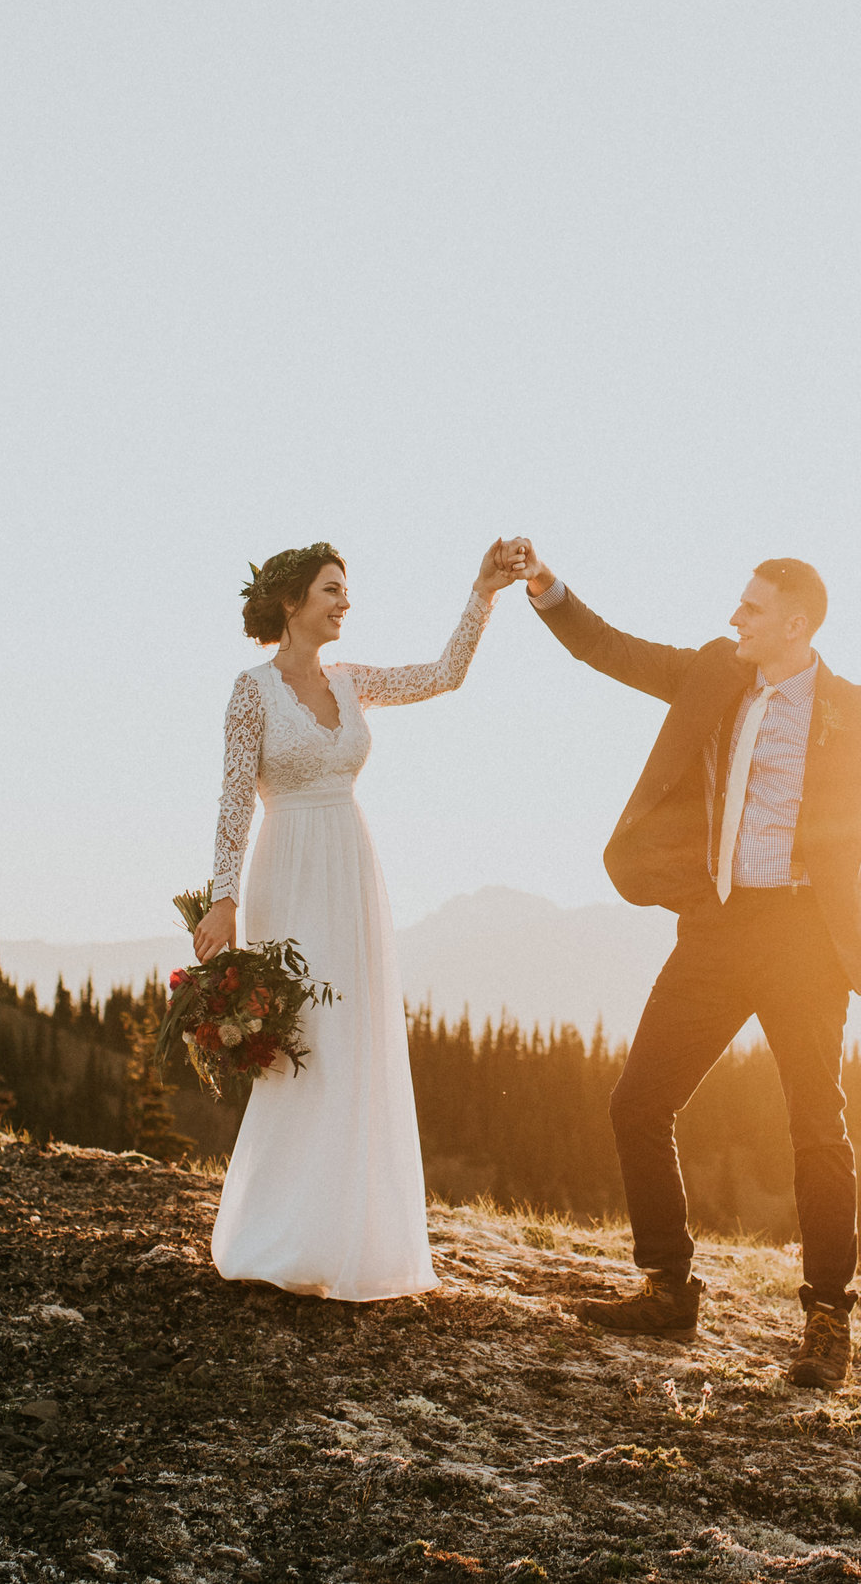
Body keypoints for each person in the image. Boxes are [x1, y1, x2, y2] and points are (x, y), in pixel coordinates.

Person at [517, 545, 861, 1386]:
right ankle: (667, 1285)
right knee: (638, 1103)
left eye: (753, 610)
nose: (736, 619)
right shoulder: (711, 675)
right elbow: (610, 649)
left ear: (795, 625)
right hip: (718, 928)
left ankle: (827, 1318)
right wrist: (545, 586)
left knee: (816, 1126)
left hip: (808, 940)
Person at [197, 537, 526, 1298]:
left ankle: (352, 1234)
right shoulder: (252, 691)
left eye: (346, 591)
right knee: (302, 1042)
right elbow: (233, 796)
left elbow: (443, 675)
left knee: (356, 1038)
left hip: (351, 866)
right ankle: (282, 1229)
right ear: (291, 602)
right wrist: (223, 894)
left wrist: (483, 592)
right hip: (287, 870)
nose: (345, 602)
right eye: (331, 590)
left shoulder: (351, 683)